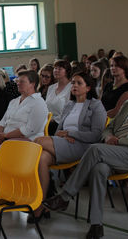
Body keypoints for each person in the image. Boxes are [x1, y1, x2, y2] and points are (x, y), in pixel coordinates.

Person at [43, 97, 128, 239]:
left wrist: (119, 141)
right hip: (112, 149)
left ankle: (65, 195)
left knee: (95, 149)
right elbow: (109, 128)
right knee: (99, 169)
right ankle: (96, 225)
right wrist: (108, 138)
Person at [32, 72, 107, 223]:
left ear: (88, 87)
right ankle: (42, 203)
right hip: (65, 143)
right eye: (73, 83)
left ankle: (49, 190)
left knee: (38, 141)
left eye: (79, 83)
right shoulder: (69, 104)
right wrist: (64, 135)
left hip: (84, 147)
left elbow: (96, 135)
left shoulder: (95, 105)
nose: (74, 86)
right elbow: (60, 130)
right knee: (41, 159)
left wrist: (72, 133)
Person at [0, 70, 48, 193]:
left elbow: (30, 129)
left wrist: (6, 136)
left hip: (27, 140)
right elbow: (3, 120)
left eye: (22, 81)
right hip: (7, 137)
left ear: (32, 84)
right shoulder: (14, 101)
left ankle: (7, 186)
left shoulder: (38, 102)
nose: (18, 83)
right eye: (17, 81)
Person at [46, 60, 72, 135]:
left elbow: (69, 111)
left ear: (67, 72)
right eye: (55, 68)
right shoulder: (51, 88)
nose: (56, 71)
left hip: (62, 123)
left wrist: (53, 120)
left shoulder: (71, 88)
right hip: (48, 121)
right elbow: (46, 107)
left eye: (59, 69)